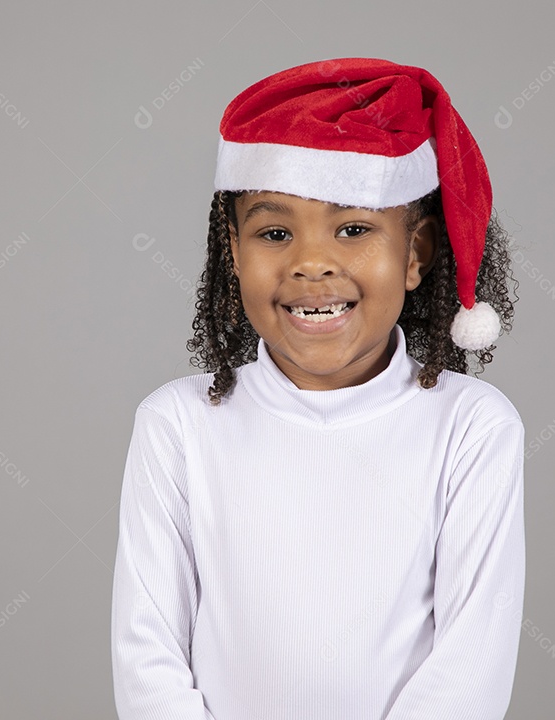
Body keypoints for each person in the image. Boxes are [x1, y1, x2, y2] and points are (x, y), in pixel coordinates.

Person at [111, 57, 526, 720]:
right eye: (274, 233)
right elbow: (147, 651)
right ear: (234, 254)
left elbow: (470, 660)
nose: (310, 261)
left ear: (416, 253)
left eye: (354, 228)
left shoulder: (472, 426)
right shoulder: (178, 425)